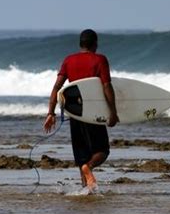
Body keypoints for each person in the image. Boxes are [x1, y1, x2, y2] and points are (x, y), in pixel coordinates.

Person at [43, 29, 119, 193]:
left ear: (80, 44)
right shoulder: (100, 59)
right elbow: (107, 86)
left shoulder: (69, 60)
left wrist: (51, 112)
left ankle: (86, 190)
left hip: (75, 111)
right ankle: (88, 167)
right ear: (95, 44)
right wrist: (113, 112)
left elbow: (57, 87)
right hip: (92, 112)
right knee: (102, 151)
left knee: (82, 155)